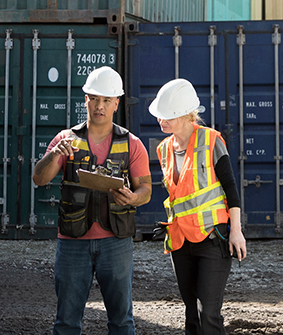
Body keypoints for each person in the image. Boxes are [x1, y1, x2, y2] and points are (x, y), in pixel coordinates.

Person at [33, 66, 152, 335]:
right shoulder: (66, 139)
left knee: (122, 321)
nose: (99, 106)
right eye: (94, 99)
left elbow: (146, 188)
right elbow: (39, 179)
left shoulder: (132, 144)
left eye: (106, 100)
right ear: (85, 99)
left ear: (116, 104)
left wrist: (133, 197)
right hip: (73, 243)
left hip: (116, 243)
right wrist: (54, 156)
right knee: (66, 323)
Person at [149, 78, 247, 335]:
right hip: (180, 242)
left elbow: (231, 189)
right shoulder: (164, 149)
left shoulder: (211, 141)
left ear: (183, 114)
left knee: (208, 316)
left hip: (212, 239)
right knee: (191, 316)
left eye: (166, 115)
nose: (161, 120)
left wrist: (236, 231)